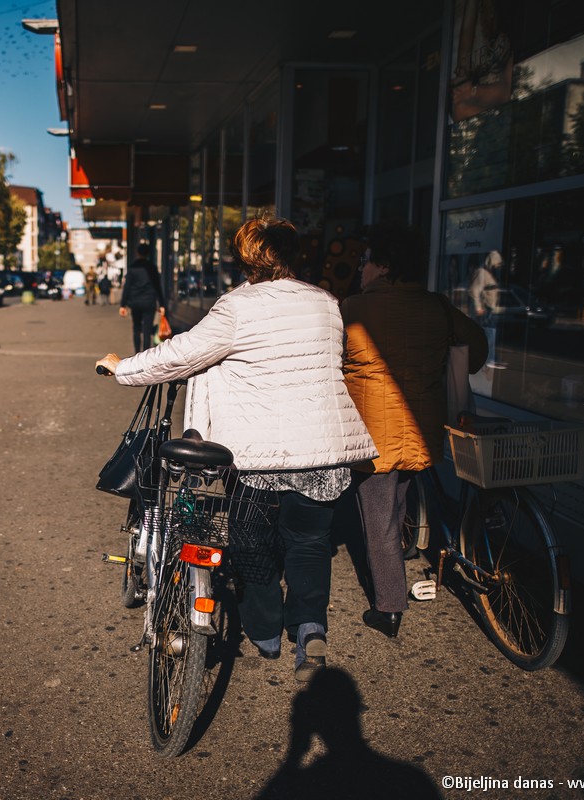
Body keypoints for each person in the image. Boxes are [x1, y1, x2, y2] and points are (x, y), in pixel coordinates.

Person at [97, 216, 378, 683]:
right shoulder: (326, 303)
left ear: (245, 258)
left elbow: (180, 354)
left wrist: (122, 366)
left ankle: (266, 634)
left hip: (258, 455)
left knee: (252, 548)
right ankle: (310, 629)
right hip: (323, 452)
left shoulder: (237, 307)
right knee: (309, 544)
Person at [341, 223, 486, 638]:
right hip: (420, 431)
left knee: (380, 520)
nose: (361, 269)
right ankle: (399, 570)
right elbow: (474, 348)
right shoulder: (438, 308)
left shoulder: (354, 309)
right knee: (397, 503)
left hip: (372, 436)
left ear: (384, 266)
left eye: (366, 262)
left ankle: (389, 606)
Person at [118, 243, 166, 353]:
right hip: (149, 302)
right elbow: (157, 287)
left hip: (135, 302)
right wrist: (162, 304)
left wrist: (122, 305)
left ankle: (137, 353)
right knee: (147, 329)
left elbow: (127, 287)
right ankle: (145, 354)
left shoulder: (132, 268)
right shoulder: (152, 268)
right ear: (148, 254)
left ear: (137, 253)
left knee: (136, 327)